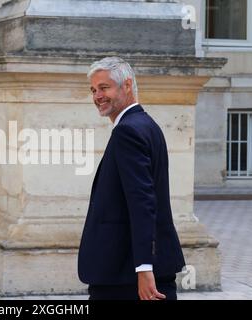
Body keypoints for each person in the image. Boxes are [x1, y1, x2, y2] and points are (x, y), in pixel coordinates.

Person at [78, 57, 186, 300]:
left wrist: (144, 267)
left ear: (127, 86)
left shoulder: (128, 131)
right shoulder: (146, 125)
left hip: (125, 275)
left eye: (104, 88)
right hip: (130, 271)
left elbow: (142, 202)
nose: (97, 96)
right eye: (93, 90)